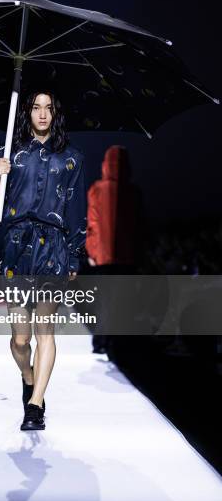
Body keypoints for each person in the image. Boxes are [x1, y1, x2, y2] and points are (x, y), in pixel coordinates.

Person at [0, 90, 87, 431]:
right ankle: (28, 377)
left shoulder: (72, 158)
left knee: (46, 331)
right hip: (17, 246)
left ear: (56, 114)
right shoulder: (7, 154)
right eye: (36, 108)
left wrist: (73, 257)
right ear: (26, 112)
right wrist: (0, 178)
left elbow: (76, 210)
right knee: (20, 339)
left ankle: (35, 404)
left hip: (53, 248)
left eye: (49, 108)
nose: (42, 114)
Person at [85, 145, 144, 355]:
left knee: (104, 301)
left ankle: (101, 343)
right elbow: (139, 227)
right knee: (123, 302)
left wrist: (91, 252)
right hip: (127, 257)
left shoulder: (96, 189)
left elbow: (93, 224)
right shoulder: (134, 193)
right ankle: (117, 345)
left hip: (103, 257)